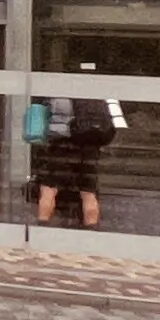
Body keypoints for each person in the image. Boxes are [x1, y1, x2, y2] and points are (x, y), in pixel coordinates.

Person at [31, 90, 118, 228]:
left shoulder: (56, 95)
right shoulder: (94, 94)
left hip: (60, 146)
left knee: (49, 189)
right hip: (89, 147)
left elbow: (40, 121)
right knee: (88, 192)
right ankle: (92, 229)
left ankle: (42, 226)